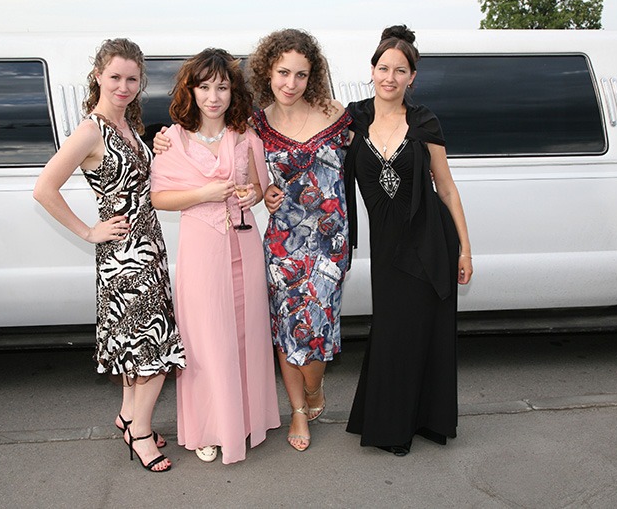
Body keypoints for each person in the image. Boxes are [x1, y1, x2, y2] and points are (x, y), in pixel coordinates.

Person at [33, 38, 185, 473]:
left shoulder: (129, 126)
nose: (123, 86)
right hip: (124, 257)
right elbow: (44, 189)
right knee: (152, 348)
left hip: (149, 247)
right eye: (115, 77)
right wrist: (88, 231)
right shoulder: (91, 130)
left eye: (132, 79)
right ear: (98, 75)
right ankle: (141, 434)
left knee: (136, 345)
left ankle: (127, 416)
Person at [344, 26, 473, 456]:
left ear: (412, 77)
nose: (391, 77)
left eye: (401, 70)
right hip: (387, 247)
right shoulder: (352, 119)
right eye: (384, 68)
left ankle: (414, 425)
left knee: (422, 333)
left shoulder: (424, 122)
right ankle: (392, 421)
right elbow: (299, 130)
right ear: (372, 70)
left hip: (430, 240)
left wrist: (466, 249)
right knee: (392, 331)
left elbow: (446, 188)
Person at [149, 48, 280, 465]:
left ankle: (245, 420)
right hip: (201, 250)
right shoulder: (172, 140)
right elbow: (159, 198)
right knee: (205, 340)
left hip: (243, 245)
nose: (213, 97)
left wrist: (251, 194)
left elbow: (259, 187)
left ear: (232, 92)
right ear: (191, 91)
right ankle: (208, 427)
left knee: (245, 335)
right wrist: (204, 193)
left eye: (222, 87)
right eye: (204, 87)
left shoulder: (246, 137)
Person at [248, 29, 352, 451]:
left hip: (330, 244)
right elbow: (244, 175)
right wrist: (265, 191)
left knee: (317, 333)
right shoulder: (256, 124)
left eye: (301, 74)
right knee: (287, 328)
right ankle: (296, 410)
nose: (290, 83)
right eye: (283, 73)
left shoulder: (335, 114)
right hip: (283, 244)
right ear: (267, 72)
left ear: (313, 77)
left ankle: (313, 388)